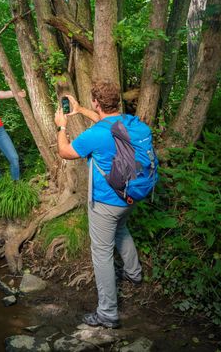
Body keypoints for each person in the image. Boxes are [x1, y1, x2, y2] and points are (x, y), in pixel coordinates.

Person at [53, 82, 144, 329]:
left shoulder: (95, 135)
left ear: (97, 102)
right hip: (132, 195)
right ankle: (134, 273)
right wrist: (80, 110)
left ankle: (107, 313)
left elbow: (65, 151)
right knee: (121, 229)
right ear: (117, 102)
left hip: (106, 202)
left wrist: (62, 126)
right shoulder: (131, 122)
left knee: (102, 254)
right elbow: (104, 120)